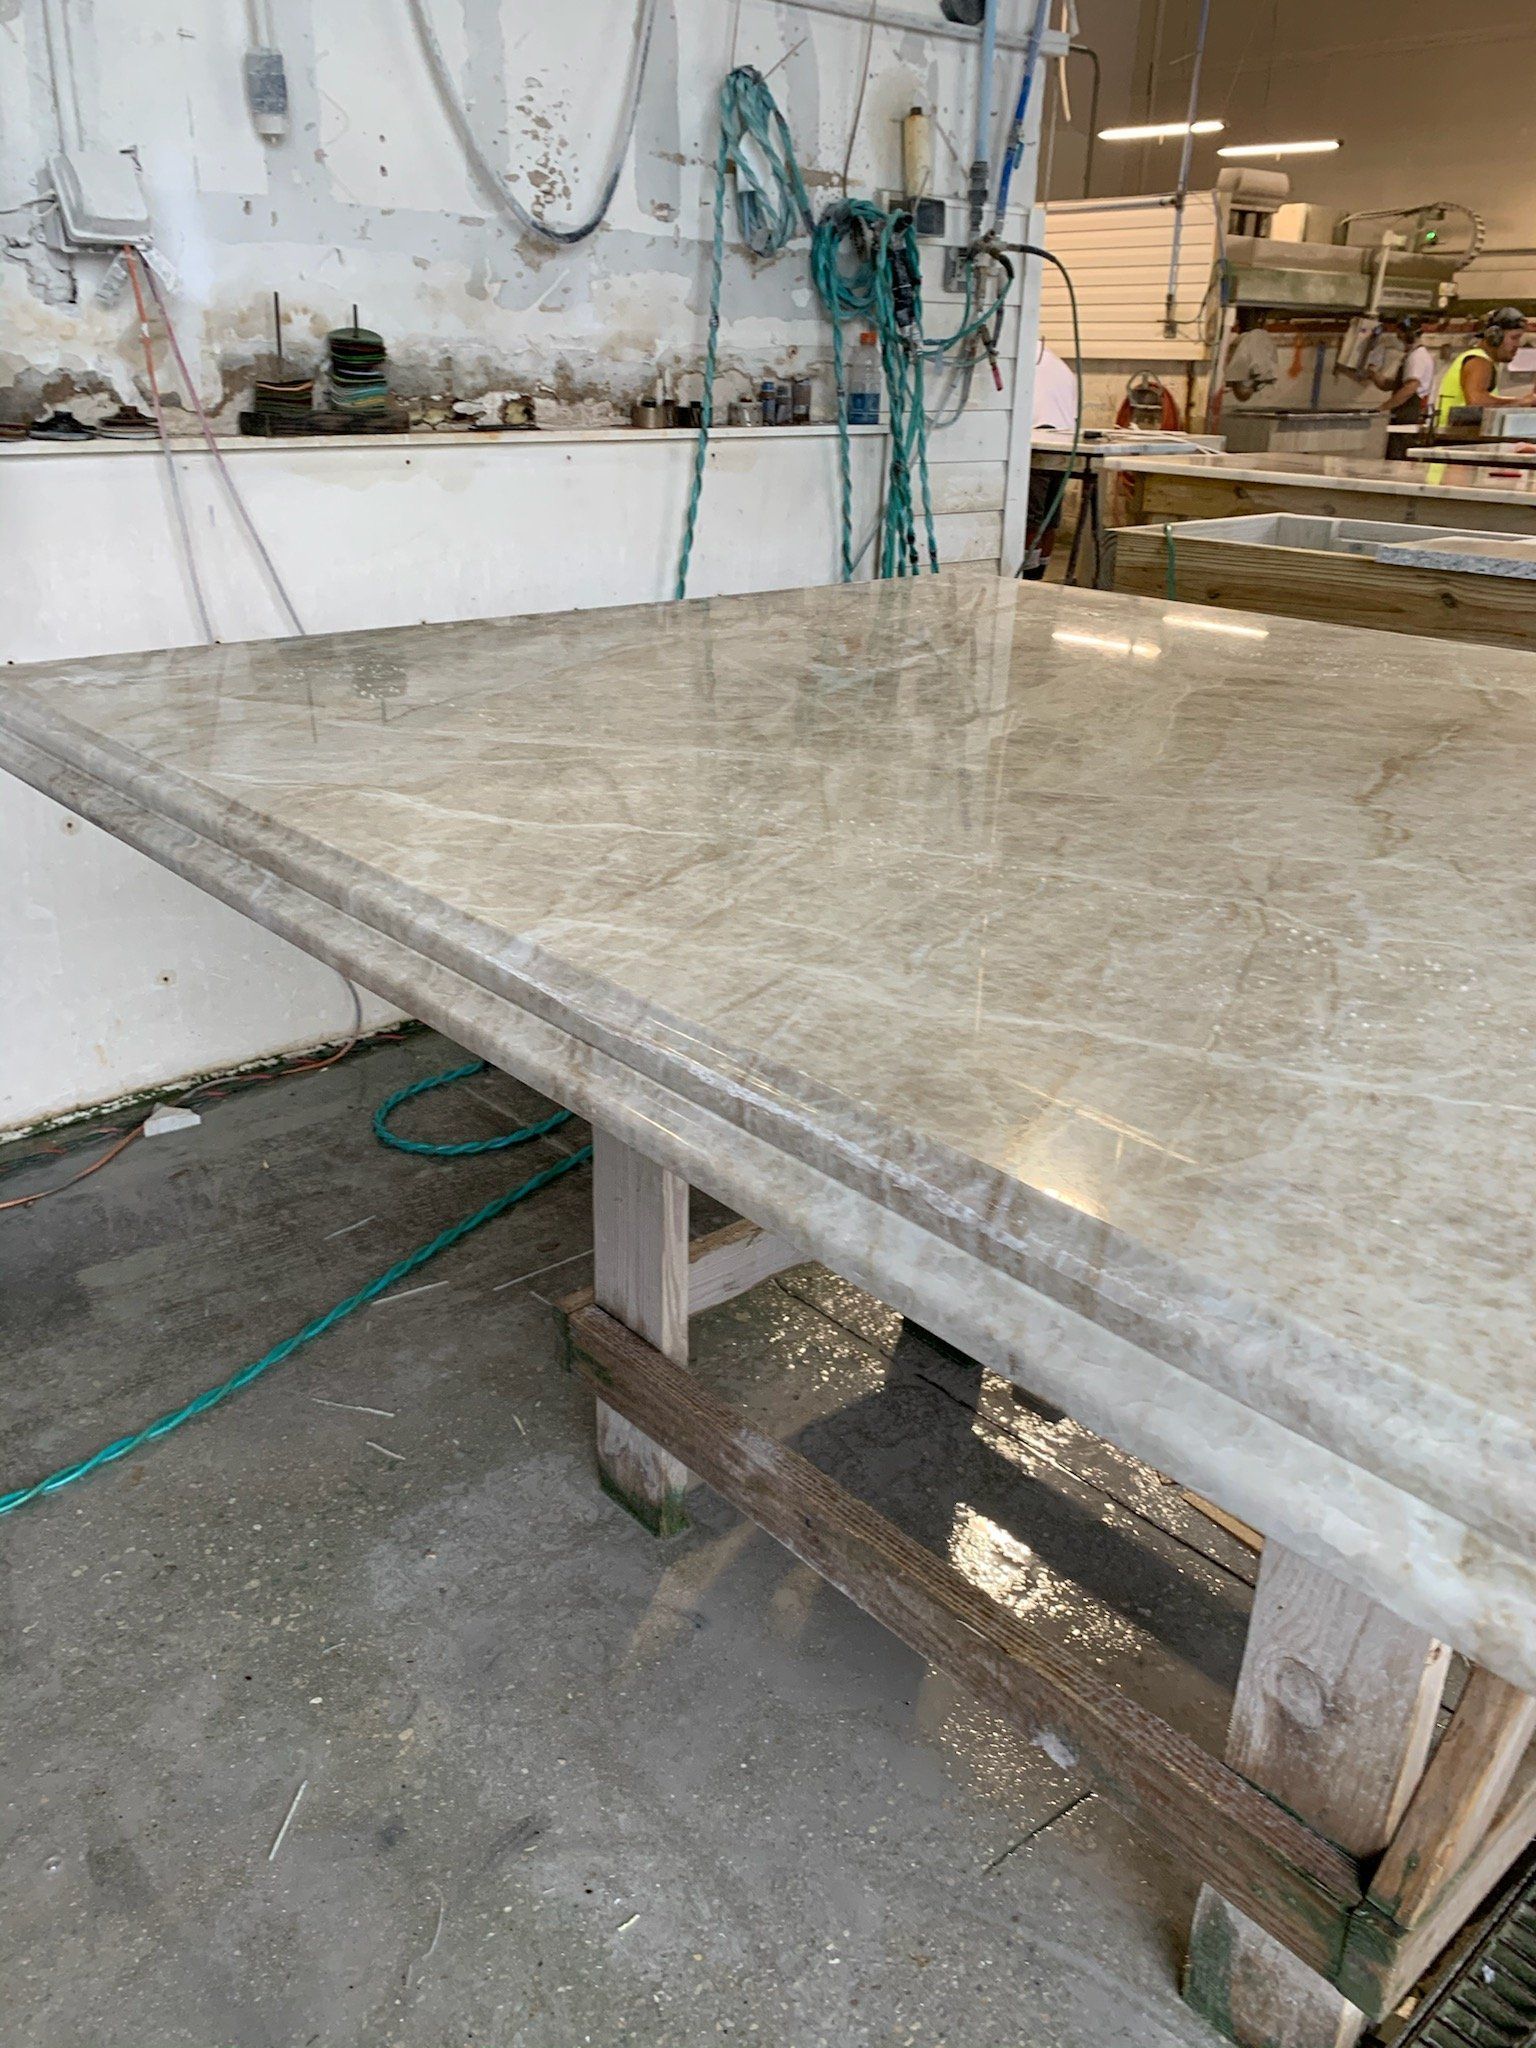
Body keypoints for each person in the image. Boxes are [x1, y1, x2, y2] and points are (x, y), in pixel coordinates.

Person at [1020, 341, 1080, 579]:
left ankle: (1026, 576)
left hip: (1037, 443)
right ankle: (1039, 573)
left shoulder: (1021, 357)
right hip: (1063, 443)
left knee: (1030, 517)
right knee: (1049, 516)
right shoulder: (1057, 362)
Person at [1435, 307, 1529, 430]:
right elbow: (1476, 402)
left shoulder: (1484, 360)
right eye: (1514, 338)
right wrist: (1521, 402)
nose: (1517, 345)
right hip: (1452, 437)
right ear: (1495, 337)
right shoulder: (1478, 361)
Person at [1370, 316, 1436, 451]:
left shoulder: (1418, 357)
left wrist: (1383, 407)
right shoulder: (1410, 356)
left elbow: (1410, 388)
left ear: (1408, 335)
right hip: (1402, 418)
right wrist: (1373, 373)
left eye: (1399, 336)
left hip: (1408, 419)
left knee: (1400, 460)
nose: (1398, 339)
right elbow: (1393, 385)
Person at [1222, 309, 1280, 403]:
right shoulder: (1257, 375)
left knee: (1250, 316)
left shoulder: (1239, 373)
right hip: (1250, 334)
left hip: (1248, 334)